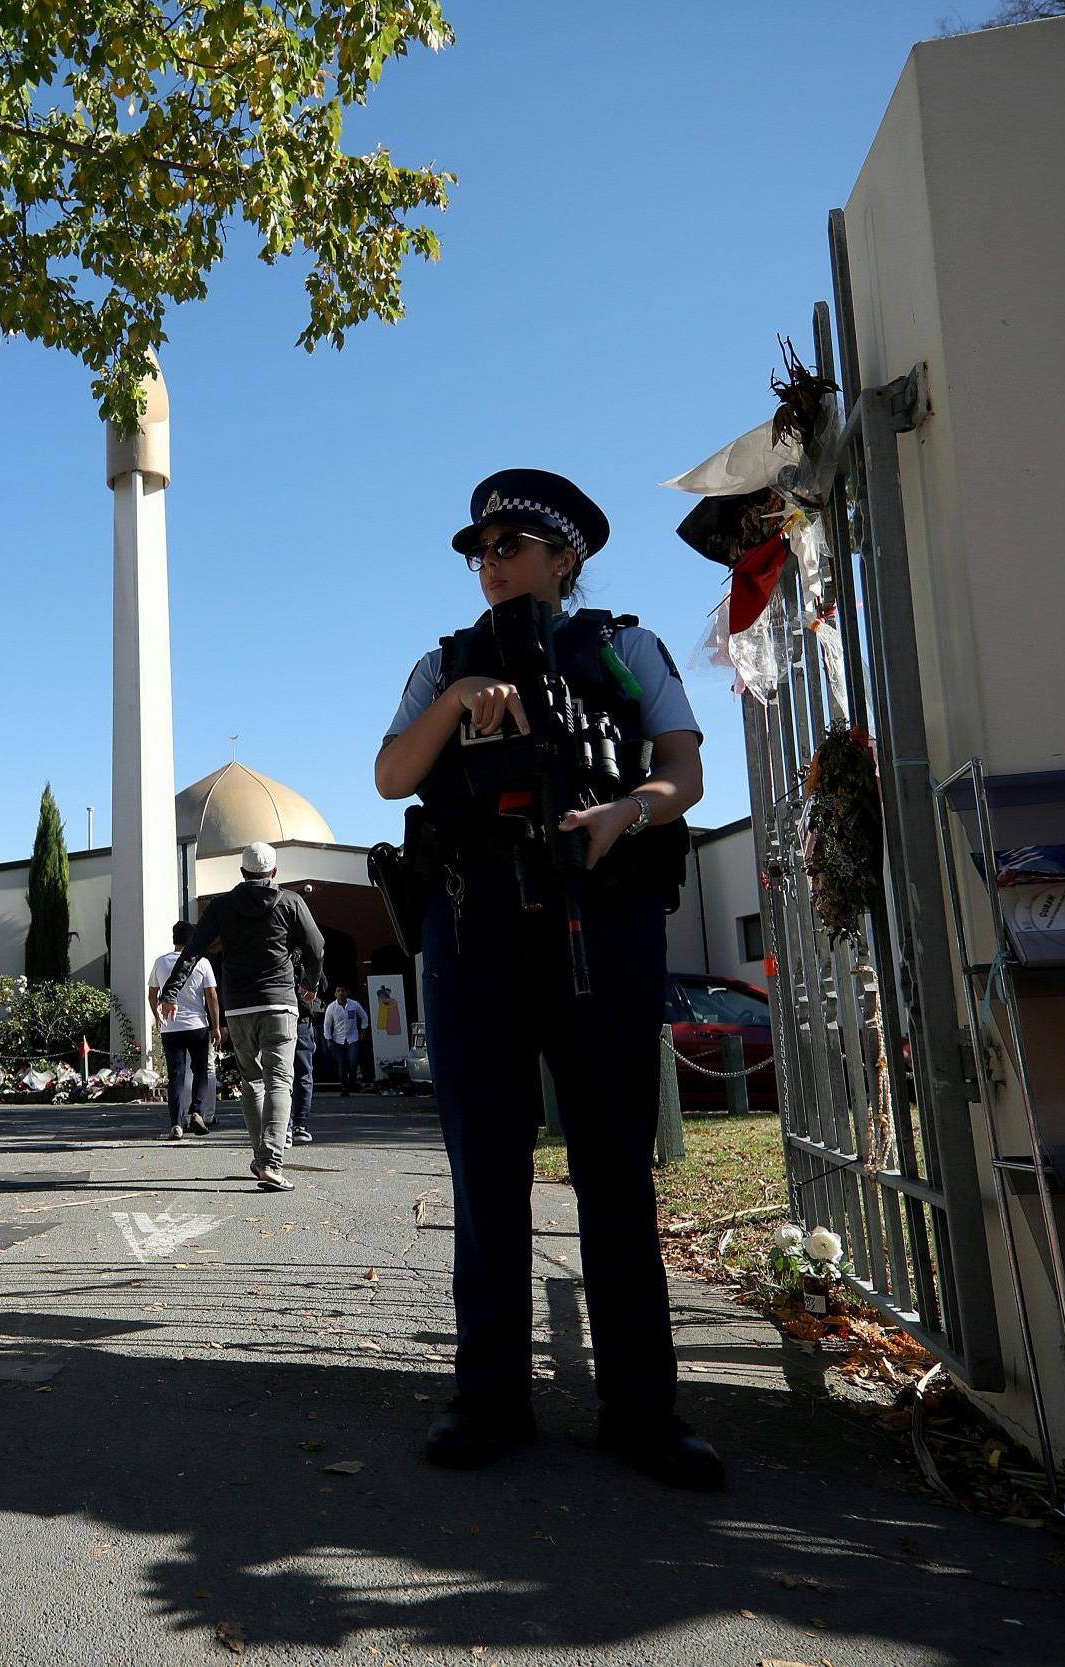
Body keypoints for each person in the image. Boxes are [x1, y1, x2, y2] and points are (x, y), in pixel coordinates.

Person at [373, 466, 721, 1490]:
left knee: (613, 1163)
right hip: (474, 924)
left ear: (564, 555)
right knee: (485, 1169)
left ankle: (642, 1408)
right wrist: (459, 704)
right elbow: (392, 773)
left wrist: (627, 812)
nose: (489, 562)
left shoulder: (622, 646)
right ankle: (487, 1397)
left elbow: (684, 773)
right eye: (477, 548)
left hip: (600, 918)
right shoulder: (441, 663)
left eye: (510, 544)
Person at [157, 842, 324, 1190]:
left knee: (253, 1081)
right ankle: (271, 1162)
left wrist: (170, 992)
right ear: (274, 873)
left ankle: (260, 1157)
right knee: (281, 1081)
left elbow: (194, 950)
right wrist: (309, 983)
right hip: (280, 1003)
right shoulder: (290, 901)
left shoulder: (221, 906)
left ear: (243, 873)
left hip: (240, 1007)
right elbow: (317, 946)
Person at [148, 921, 222, 1140]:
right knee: (200, 1070)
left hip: (171, 1028)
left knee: (176, 1075)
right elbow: (212, 996)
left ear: (174, 938)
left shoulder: (160, 962)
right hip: (197, 1025)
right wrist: (216, 1026)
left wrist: (157, 1015)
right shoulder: (202, 962)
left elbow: (152, 993)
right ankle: (197, 1111)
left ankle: (175, 1123)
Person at [289, 970, 320, 1145]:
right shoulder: (306, 959)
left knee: (276, 1074)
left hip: (275, 1016)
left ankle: (283, 1126)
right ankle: (299, 1126)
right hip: (301, 1018)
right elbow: (321, 983)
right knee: (303, 1074)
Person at [323, 983, 370, 1094]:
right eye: (338, 991)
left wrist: (363, 1030)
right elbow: (327, 1025)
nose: (341, 993)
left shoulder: (354, 1005)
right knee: (341, 1063)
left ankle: (351, 1082)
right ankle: (345, 1087)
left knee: (353, 1061)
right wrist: (328, 1039)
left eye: (342, 990)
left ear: (346, 992)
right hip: (338, 1040)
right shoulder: (331, 1007)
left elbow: (364, 1017)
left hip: (352, 1038)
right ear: (335, 994)